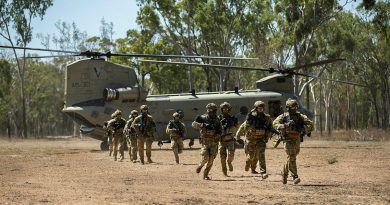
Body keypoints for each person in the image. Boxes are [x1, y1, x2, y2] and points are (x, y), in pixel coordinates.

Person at [273, 98, 313, 184]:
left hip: (297, 139)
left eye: (295, 106)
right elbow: (274, 123)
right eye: (292, 107)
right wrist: (283, 125)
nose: (294, 108)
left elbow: (310, 124)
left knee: (292, 157)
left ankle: (284, 173)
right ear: (288, 107)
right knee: (292, 156)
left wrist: (304, 129)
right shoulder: (284, 116)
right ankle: (295, 176)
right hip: (287, 139)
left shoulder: (300, 116)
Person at [236, 101, 273, 179]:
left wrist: (268, 136)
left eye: (262, 108)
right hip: (251, 140)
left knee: (261, 155)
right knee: (251, 156)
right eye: (259, 108)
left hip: (261, 140)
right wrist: (238, 136)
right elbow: (243, 126)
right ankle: (248, 162)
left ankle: (263, 172)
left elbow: (270, 128)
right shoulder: (251, 117)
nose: (261, 110)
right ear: (256, 109)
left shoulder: (267, 118)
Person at [192, 103, 222, 180]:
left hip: (214, 142)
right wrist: (202, 125)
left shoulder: (217, 119)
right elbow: (193, 124)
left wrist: (218, 135)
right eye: (208, 109)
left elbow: (220, 130)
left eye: (210, 109)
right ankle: (200, 166)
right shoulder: (201, 117)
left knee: (211, 160)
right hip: (205, 142)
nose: (209, 110)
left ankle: (205, 175)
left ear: (214, 110)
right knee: (205, 158)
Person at [218, 102, 240, 177]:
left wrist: (235, 122)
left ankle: (229, 162)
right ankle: (225, 172)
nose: (225, 110)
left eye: (227, 108)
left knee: (231, 154)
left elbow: (238, 127)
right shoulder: (218, 118)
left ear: (229, 109)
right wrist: (220, 124)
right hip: (222, 141)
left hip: (230, 139)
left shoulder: (232, 118)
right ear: (221, 109)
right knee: (222, 158)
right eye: (224, 108)